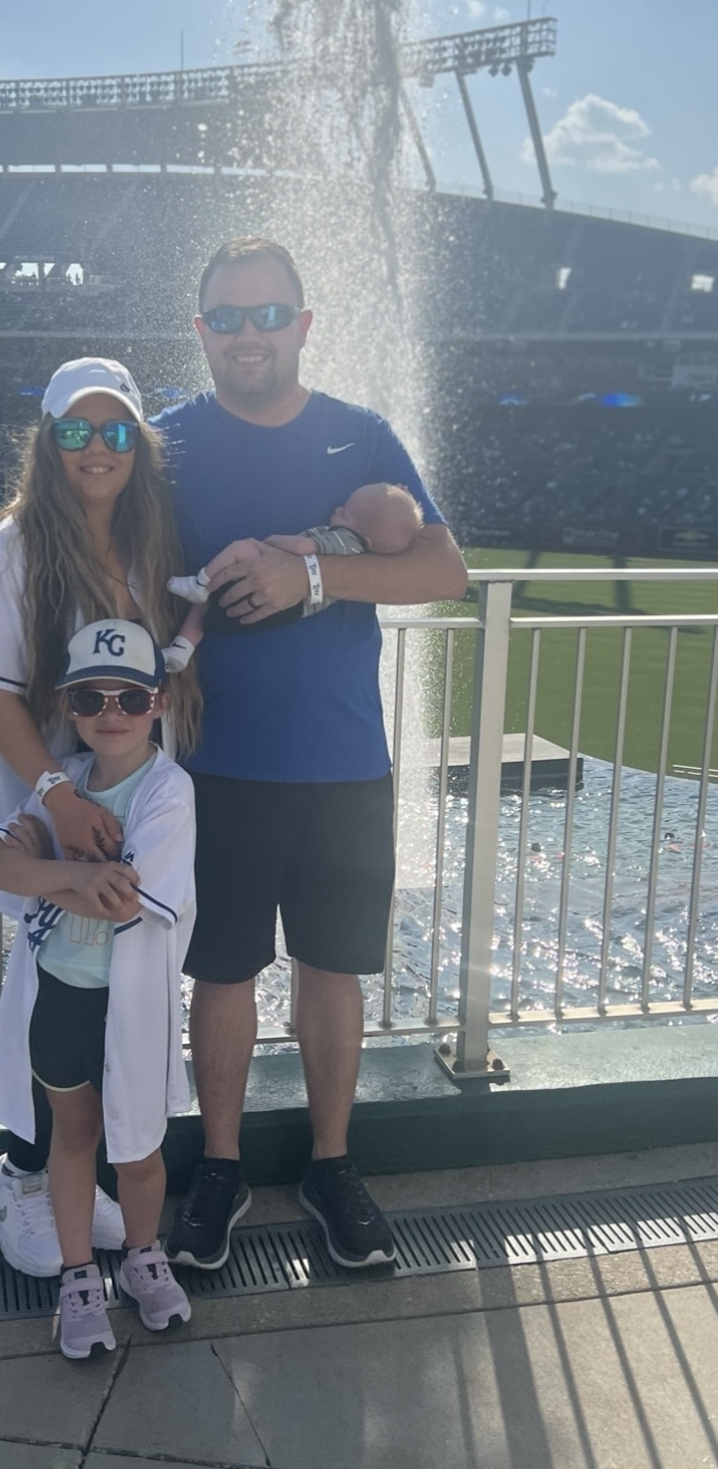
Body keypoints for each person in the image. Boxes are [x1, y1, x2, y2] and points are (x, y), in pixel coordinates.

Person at [154, 237, 468, 1272]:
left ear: (301, 323)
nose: (246, 335)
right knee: (222, 975)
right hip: (215, 761)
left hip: (342, 760)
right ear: (201, 331)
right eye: (225, 317)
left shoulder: (359, 432)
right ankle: (221, 1166)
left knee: (333, 971)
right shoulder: (167, 441)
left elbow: (442, 568)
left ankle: (331, 1164)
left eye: (265, 314)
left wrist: (316, 577)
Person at [0, 357, 198, 1279]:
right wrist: (57, 798)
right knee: (45, 982)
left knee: (97, 981)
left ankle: (63, 1173)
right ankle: (19, 1176)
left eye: (115, 431)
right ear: (46, 442)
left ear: (138, 443)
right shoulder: (13, 545)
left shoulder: (149, 536)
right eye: (74, 431)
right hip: (44, 793)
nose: (96, 448)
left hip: (123, 787)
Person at [0, 618, 195, 1359]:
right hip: (61, 997)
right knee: (72, 1139)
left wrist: (46, 876)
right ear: (67, 706)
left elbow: (128, 902)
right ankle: (78, 1279)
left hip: (128, 1008)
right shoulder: (63, 786)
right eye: (89, 698)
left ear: (158, 704)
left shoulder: (168, 790)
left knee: (137, 1152)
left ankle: (142, 1256)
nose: (111, 713)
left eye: (130, 698)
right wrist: (79, 875)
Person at [163, 482, 423, 668]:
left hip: (279, 590)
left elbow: (303, 548)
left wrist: (271, 540)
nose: (337, 509)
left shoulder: (347, 541)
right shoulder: (358, 549)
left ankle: (200, 583)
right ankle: (180, 651)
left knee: (242, 548)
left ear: (367, 537)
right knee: (210, 607)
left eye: (345, 513)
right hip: (290, 608)